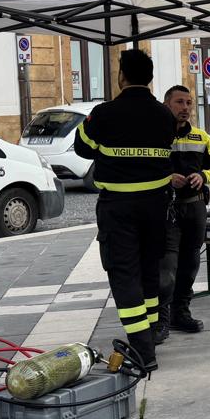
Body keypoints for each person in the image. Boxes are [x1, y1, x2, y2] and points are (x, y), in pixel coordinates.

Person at [73, 48, 176, 371]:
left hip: (118, 208)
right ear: (151, 77)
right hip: (156, 206)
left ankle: (143, 351)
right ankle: (149, 334)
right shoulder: (165, 115)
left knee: (124, 275)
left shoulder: (104, 114)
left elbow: (82, 147)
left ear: (121, 76)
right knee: (148, 272)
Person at [157, 84, 210, 341]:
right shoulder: (155, 137)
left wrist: (202, 176)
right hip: (166, 209)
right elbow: (145, 168)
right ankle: (161, 320)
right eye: (179, 102)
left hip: (195, 207)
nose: (185, 108)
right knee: (167, 267)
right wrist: (167, 179)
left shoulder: (201, 137)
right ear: (167, 105)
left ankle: (181, 313)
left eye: (189, 103)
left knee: (190, 264)